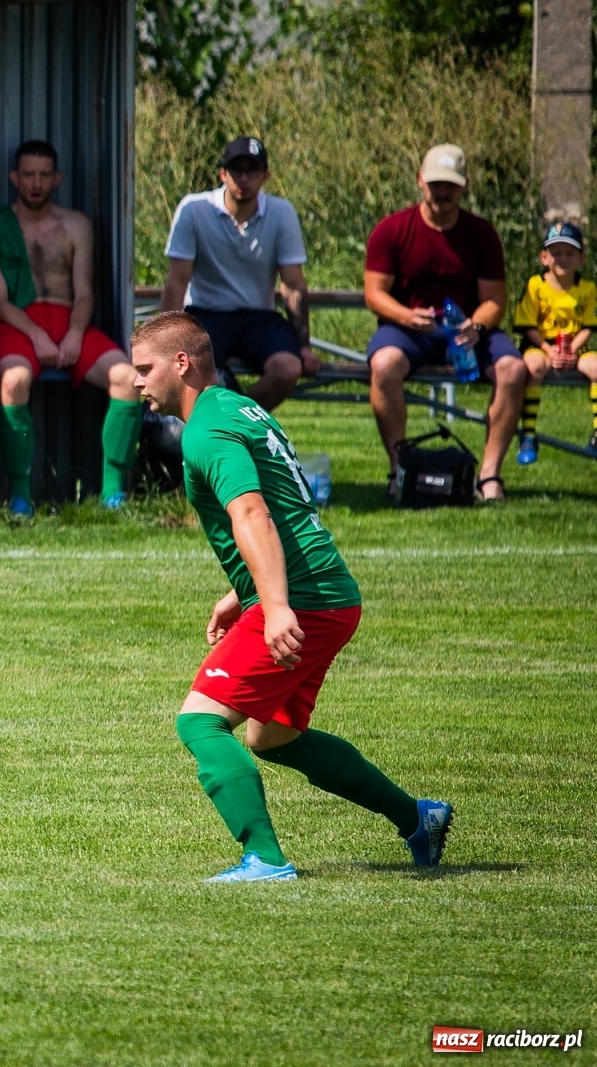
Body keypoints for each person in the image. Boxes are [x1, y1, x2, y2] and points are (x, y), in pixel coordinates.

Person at [130, 311, 453, 882]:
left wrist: (275, 605)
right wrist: (244, 591)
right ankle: (417, 819)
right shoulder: (241, 408)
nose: (136, 382)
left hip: (302, 597)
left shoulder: (207, 427)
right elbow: (283, 506)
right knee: (273, 735)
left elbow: (252, 512)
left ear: (181, 364)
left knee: (200, 722)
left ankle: (265, 860)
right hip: (324, 590)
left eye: (144, 368)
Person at [0, 139, 142, 513]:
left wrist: (74, 332)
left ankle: (114, 494)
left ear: (57, 178)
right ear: (14, 178)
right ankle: (20, 494)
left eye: (44, 175)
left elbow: (85, 291)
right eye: (28, 175)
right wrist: (35, 334)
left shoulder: (76, 225)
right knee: (14, 380)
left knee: (127, 378)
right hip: (18, 323)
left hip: (70, 320)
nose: (36, 183)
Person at [364, 144, 527, 502]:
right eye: (436, 183)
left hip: (467, 331)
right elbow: (374, 294)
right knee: (384, 364)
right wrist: (406, 315)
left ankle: (489, 476)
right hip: (409, 329)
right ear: (420, 181)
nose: (442, 192)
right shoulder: (392, 230)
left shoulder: (481, 234)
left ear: (465, 186)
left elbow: (495, 301)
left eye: (450, 185)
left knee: (514, 369)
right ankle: (400, 469)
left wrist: (477, 325)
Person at [159, 136, 318, 413]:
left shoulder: (282, 214)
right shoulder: (194, 210)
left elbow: (293, 286)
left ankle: (234, 421)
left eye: (252, 170)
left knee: (288, 368)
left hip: (258, 318)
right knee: (189, 369)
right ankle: (212, 434)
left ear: (265, 175)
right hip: (205, 314)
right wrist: (164, 342)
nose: (243, 178)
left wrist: (304, 346)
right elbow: (177, 281)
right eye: (236, 170)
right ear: (223, 173)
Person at [511, 221, 597, 460]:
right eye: (556, 253)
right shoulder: (535, 285)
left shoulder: (588, 289)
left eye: (570, 253)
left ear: (581, 258)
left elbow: (589, 325)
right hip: (540, 344)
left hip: (575, 345)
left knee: (596, 367)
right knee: (534, 366)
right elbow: (526, 324)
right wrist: (549, 350)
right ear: (544, 257)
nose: (562, 259)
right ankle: (528, 435)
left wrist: (571, 350)